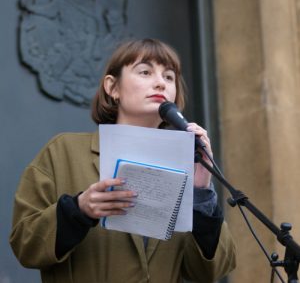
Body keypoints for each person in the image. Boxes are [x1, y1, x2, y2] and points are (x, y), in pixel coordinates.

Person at [10, 38, 236, 283]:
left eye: (169, 77)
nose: (160, 82)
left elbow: (213, 270)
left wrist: (201, 191)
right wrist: (78, 210)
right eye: (145, 72)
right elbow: (25, 245)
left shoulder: (186, 166)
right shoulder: (62, 151)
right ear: (112, 87)